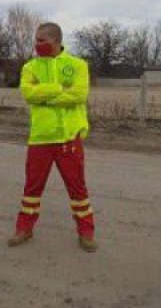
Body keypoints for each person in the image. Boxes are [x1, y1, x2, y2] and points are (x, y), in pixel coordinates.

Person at [8, 22, 96, 251]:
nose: (37, 45)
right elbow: (28, 93)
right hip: (40, 138)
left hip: (69, 137)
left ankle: (86, 232)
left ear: (56, 41)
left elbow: (79, 95)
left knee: (78, 189)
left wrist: (44, 95)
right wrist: (59, 88)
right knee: (32, 188)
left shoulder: (77, 64)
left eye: (41, 40)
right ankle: (24, 228)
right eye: (36, 40)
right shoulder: (30, 67)